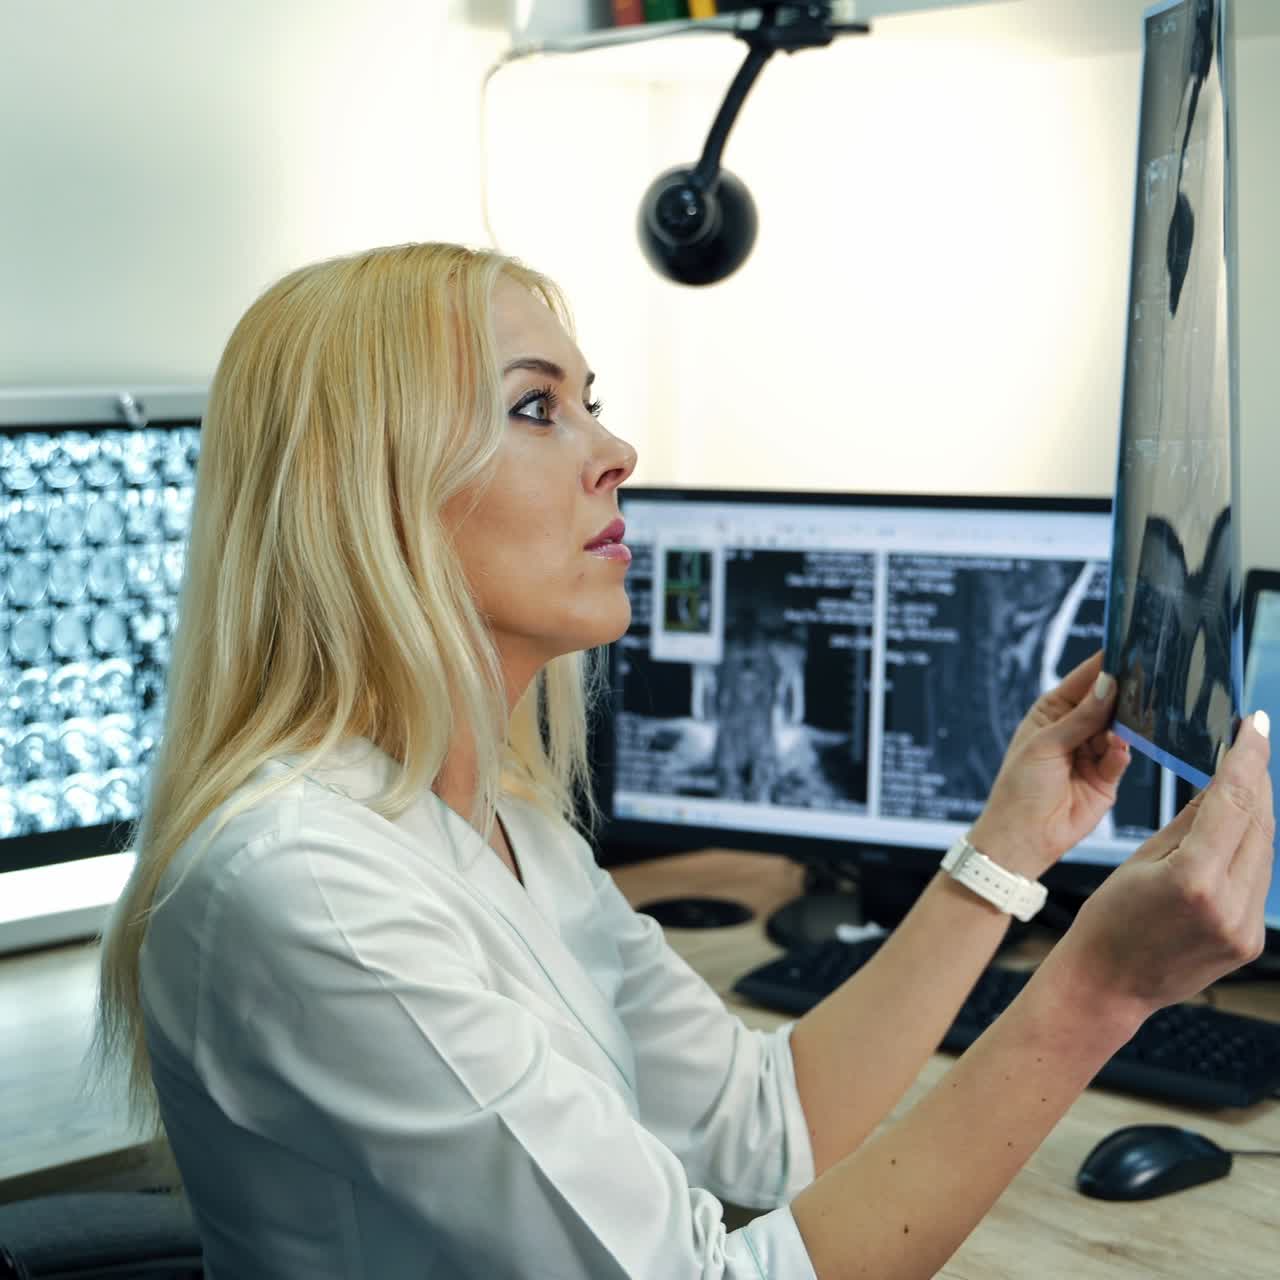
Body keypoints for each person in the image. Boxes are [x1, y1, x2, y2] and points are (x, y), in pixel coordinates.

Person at [96, 241, 1274, 1280]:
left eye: (589, 401)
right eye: (534, 408)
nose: (616, 450)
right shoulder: (308, 882)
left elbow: (775, 1120)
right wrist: (1095, 989)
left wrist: (1008, 845)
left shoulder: (504, 833)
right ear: (368, 494)